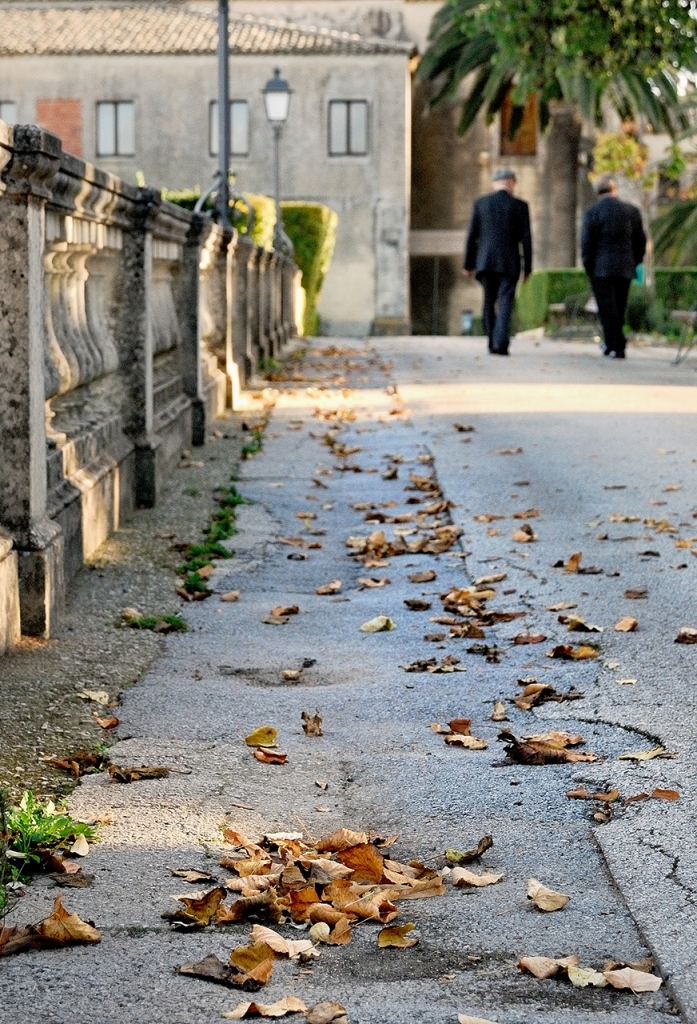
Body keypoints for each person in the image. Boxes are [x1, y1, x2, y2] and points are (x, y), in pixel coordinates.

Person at [463, 168, 532, 355]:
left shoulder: (481, 203)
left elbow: (472, 236)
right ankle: (500, 342)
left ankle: (492, 339)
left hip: (485, 262)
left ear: (495, 183)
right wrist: (528, 268)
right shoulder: (520, 206)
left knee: (488, 300)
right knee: (506, 301)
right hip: (510, 262)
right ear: (510, 182)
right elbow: (526, 239)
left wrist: (468, 264)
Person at [581, 175, 646, 359]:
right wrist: (635, 262)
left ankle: (616, 345)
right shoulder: (632, 211)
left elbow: (586, 244)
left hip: (600, 269)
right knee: (619, 307)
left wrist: (589, 267)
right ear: (614, 189)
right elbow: (640, 241)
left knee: (606, 310)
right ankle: (612, 344)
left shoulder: (592, 212)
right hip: (625, 267)